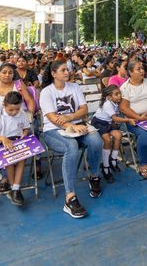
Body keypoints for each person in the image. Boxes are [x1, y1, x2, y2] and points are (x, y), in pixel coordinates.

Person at [40, 60, 103, 219]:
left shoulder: (74, 87)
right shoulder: (47, 92)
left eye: (67, 70)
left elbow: (84, 109)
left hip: (76, 127)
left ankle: (94, 176)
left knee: (96, 139)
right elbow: (53, 118)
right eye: (63, 70)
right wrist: (70, 125)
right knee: (71, 146)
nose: (67, 72)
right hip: (53, 131)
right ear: (53, 73)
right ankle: (70, 198)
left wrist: (71, 117)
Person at [0, 91, 31, 206]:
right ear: (4, 105)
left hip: (16, 141)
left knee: (23, 158)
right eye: (11, 110)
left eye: (17, 109)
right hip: (1, 143)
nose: (14, 112)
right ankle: (13, 188)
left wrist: (25, 134)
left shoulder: (21, 113)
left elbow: (26, 128)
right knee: (10, 161)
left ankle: (15, 188)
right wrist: (3, 139)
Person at [90, 85, 133, 180]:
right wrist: (128, 120)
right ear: (109, 97)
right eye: (116, 94)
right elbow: (115, 118)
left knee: (118, 135)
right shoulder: (107, 104)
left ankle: (113, 159)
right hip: (98, 123)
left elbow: (113, 119)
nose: (119, 96)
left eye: (119, 93)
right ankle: (105, 167)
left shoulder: (115, 102)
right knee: (107, 140)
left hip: (108, 123)